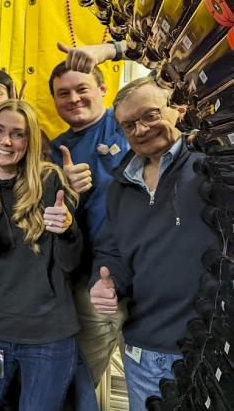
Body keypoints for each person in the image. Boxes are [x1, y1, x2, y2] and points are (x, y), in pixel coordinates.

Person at [89, 77, 218, 409]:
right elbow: (112, 251)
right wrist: (105, 284)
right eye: (129, 125)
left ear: (175, 110)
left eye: (150, 115)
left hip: (211, 346)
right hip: (145, 350)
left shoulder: (211, 166)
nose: (142, 129)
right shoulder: (120, 187)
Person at [0, 99, 83, 410]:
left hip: (48, 334)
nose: (7, 141)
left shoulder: (50, 180)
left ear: (30, 141)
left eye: (19, 134)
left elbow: (70, 262)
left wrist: (67, 229)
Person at [48, 55, 130, 406]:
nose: (73, 99)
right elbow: (56, 222)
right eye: (63, 93)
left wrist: (111, 48)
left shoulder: (130, 122)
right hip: (91, 282)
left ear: (102, 88)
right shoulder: (57, 149)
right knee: (79, 379)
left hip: (150, 278)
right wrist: (68, 194)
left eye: (82, 89)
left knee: (154, 380)